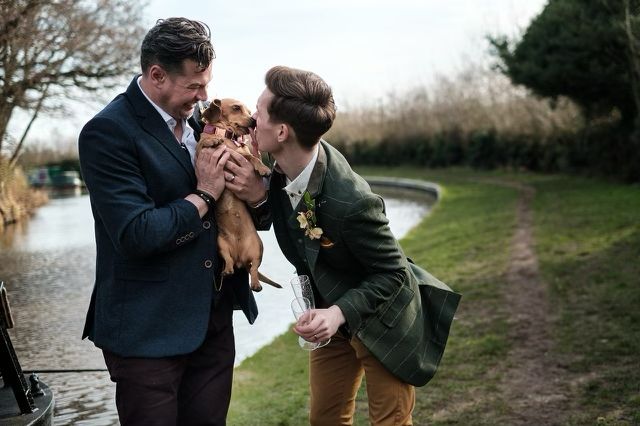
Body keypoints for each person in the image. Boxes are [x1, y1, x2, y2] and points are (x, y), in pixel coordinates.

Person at [226, 65, 460, 425]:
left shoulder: (353, 203)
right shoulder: (287, 161)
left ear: (283, 132)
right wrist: (261, 197)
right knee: (325, 419)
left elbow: (394, 274)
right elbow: (294, 220)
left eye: (258, 111)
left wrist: (337, 313)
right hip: (329, 313)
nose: (252, 120)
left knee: (390, 423)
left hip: (384, 319)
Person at [78, 18, 262, 425]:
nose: (204, 96)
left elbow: (245, 213)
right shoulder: (107, 132)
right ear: (157, 75)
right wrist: (204, 195)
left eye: (206, 84)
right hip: (147, 331)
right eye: (194, 86)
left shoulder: (202, 124)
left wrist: (255, 193)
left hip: (213, 322)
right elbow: (137, 234)